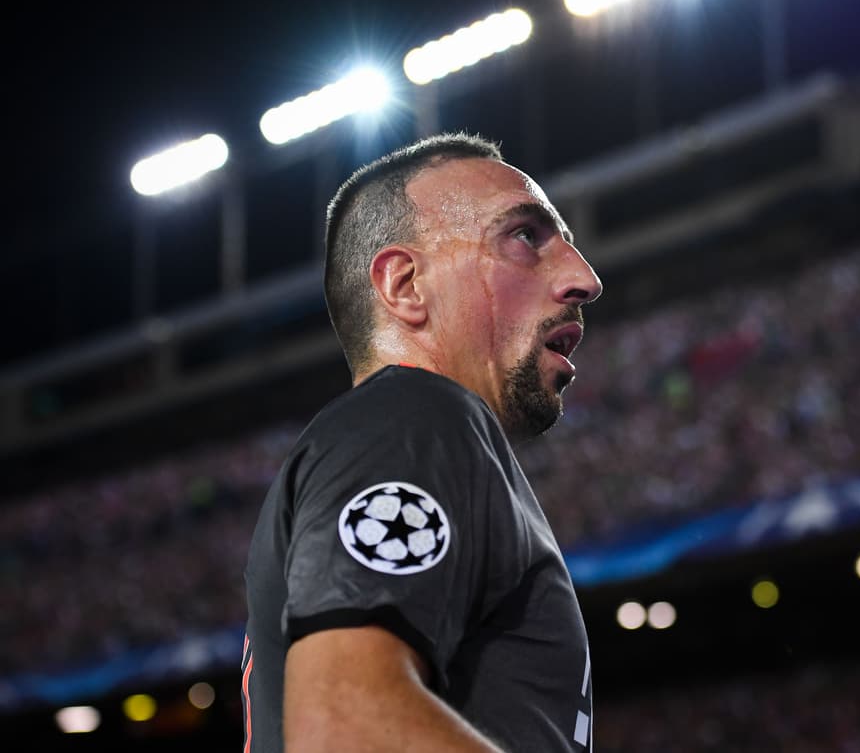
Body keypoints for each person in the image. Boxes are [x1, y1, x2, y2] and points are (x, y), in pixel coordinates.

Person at [243, 133, 604, 752]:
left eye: (567, 245)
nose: (585, 278)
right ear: (406, 285)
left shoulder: (411, 431)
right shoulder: (416, 416)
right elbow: (345, 730)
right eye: (524, 236)